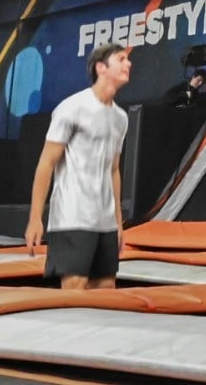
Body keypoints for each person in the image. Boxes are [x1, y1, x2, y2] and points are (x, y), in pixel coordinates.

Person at [25, 42, 132, 290]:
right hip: (72, 217)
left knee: (105, 289)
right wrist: (35, 219)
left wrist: (118, 222)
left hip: (104, 222)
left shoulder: (120, 118)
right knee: (75, 288)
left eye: (127, 59)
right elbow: (46, 162)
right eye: (121, 58)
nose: (128, 63)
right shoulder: (72, 108)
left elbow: (113, 170)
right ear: (101, 68)